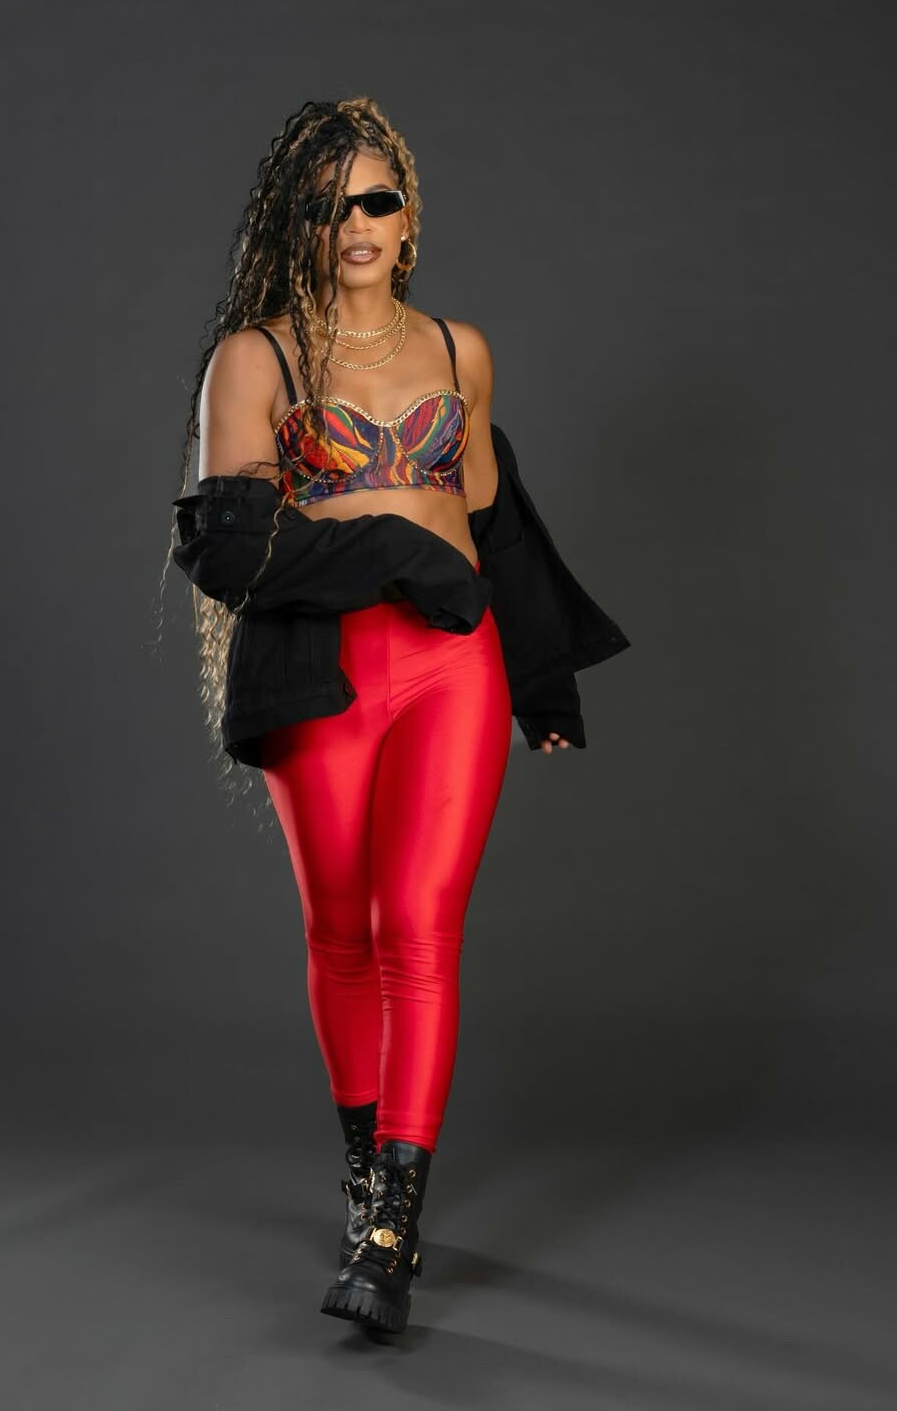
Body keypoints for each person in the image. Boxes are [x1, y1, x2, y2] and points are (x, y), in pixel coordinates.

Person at [164, 97, 630, 1334]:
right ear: (301, 225)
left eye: (377, 199)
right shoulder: (256, 359)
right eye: (332, 206)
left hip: (451, 665)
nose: (358, 223)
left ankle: (387, 1234)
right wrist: (388, 551)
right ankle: (366, 1173)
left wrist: (540, 677)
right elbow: (228, 547)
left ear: (409, 216)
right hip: (318, 670)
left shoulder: (459, 350)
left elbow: (494, 522)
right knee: (342, 929)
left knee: (421, 929)